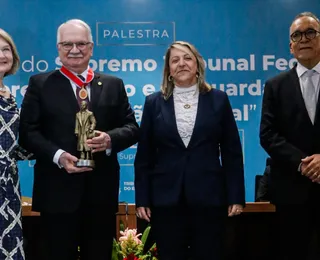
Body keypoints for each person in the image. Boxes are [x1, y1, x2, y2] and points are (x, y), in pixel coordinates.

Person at [19, 19, 139, 260]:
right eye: (67, 44)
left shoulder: (114, 84)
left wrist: (109, 140)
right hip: (56, 192)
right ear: (58, 48)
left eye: (81, 43)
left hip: (101, 193)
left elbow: (132, 128)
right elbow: (28, 132)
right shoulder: (40, 84)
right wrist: (59, 156)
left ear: (92, 48)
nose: (75, 49)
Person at [134, 41, 245, 260]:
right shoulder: (153, 102)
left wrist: (236, 196)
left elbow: (232, 152)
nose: (181, 64)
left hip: (209, 197)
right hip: (166, 199)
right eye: (175, 60)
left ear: (197, 65)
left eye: (187, 58)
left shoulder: (218, 99)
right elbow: (144, 156)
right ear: (168, 70)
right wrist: (143, 199)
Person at [260, 12, 320, 260]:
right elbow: (268, 134)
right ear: (290, 47)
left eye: (310, 32)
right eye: (297, 35)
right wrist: (305, 163)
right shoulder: (275, 86)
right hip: (290, 194)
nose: (303, 38)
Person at [0, 28, 32, 260]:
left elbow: (13, 149)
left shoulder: (9, 95)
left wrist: (54, 146)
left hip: (8, 188)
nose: (2, 55)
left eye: (6, 49)